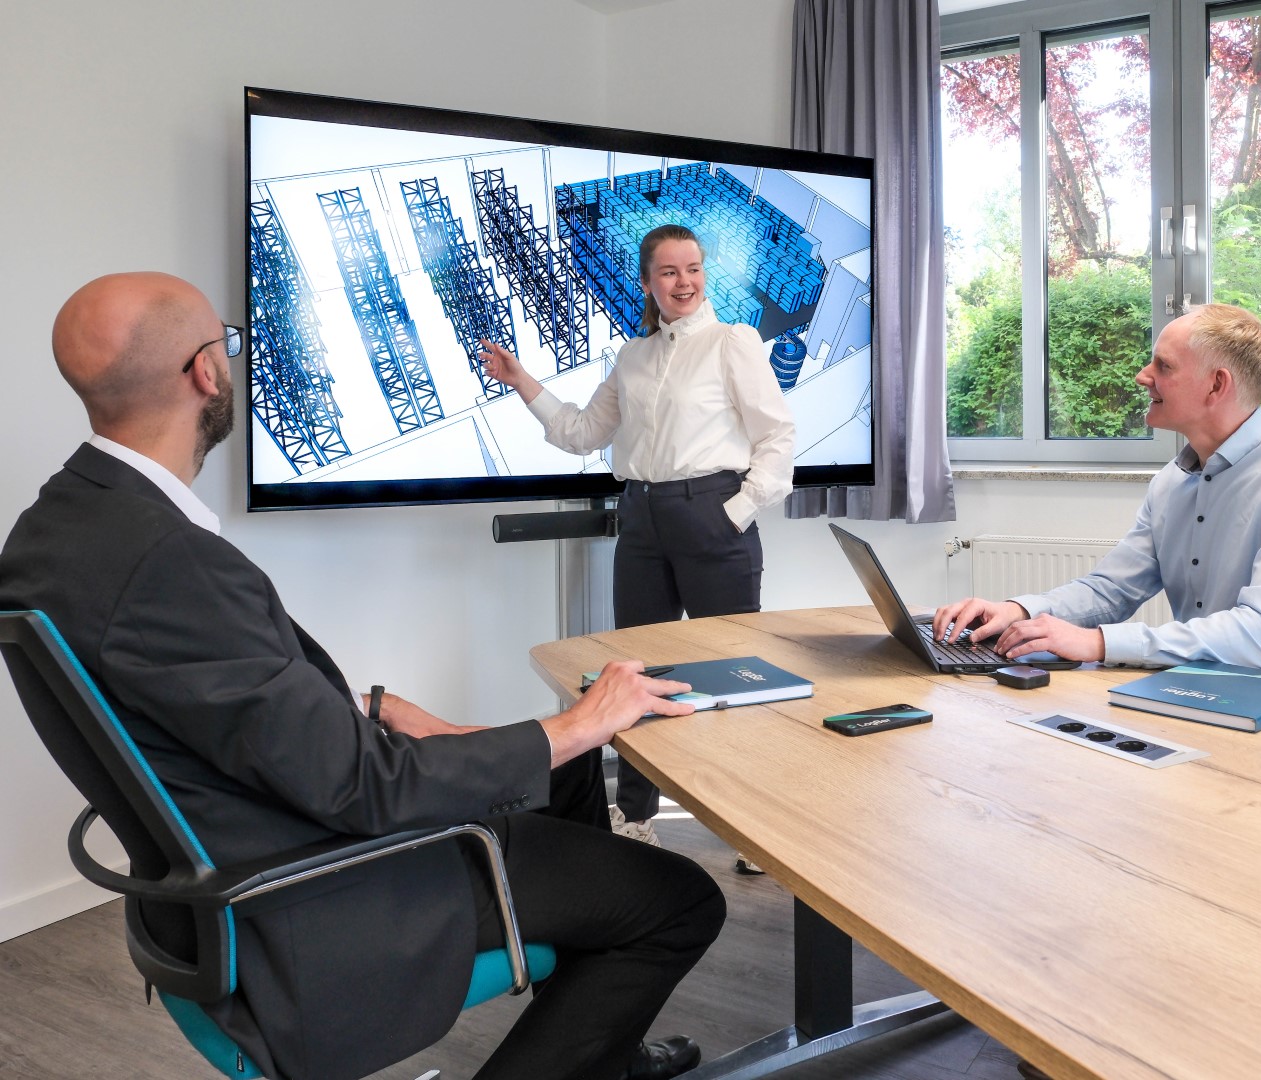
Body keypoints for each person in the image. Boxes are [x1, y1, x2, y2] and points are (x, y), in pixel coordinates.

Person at [0, 272, 725, 1080]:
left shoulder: (58, 528)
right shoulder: (171, 564)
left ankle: (594, 1047)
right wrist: (578, 721)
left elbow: (203, 696)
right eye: (230, 345)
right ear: (207, 372)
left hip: (239, 843)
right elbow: (365, 792)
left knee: (573, 775)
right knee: (681, 898)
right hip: (320, 889)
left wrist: (367, 708)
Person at [480, 223, 794, 870]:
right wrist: (521, 381)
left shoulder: (732, 343)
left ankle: (750, 826)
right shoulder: (634, 355)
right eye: (670, 272)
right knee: (638, 676)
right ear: (648, 282)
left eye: (694, 269)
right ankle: (639, 817)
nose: (685, 282)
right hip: (643, 523)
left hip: (712, 514)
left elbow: (778, 437)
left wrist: (734, 511)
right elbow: (580, 432)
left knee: (735, 674)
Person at [934, 303, 1261, 680]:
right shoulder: (1173, 481)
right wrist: (1019, 610)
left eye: (1163, 366)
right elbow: (1112, 589)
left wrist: (1099, 643)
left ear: (1217, 385)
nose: (1143, 377)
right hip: (1197, 686)